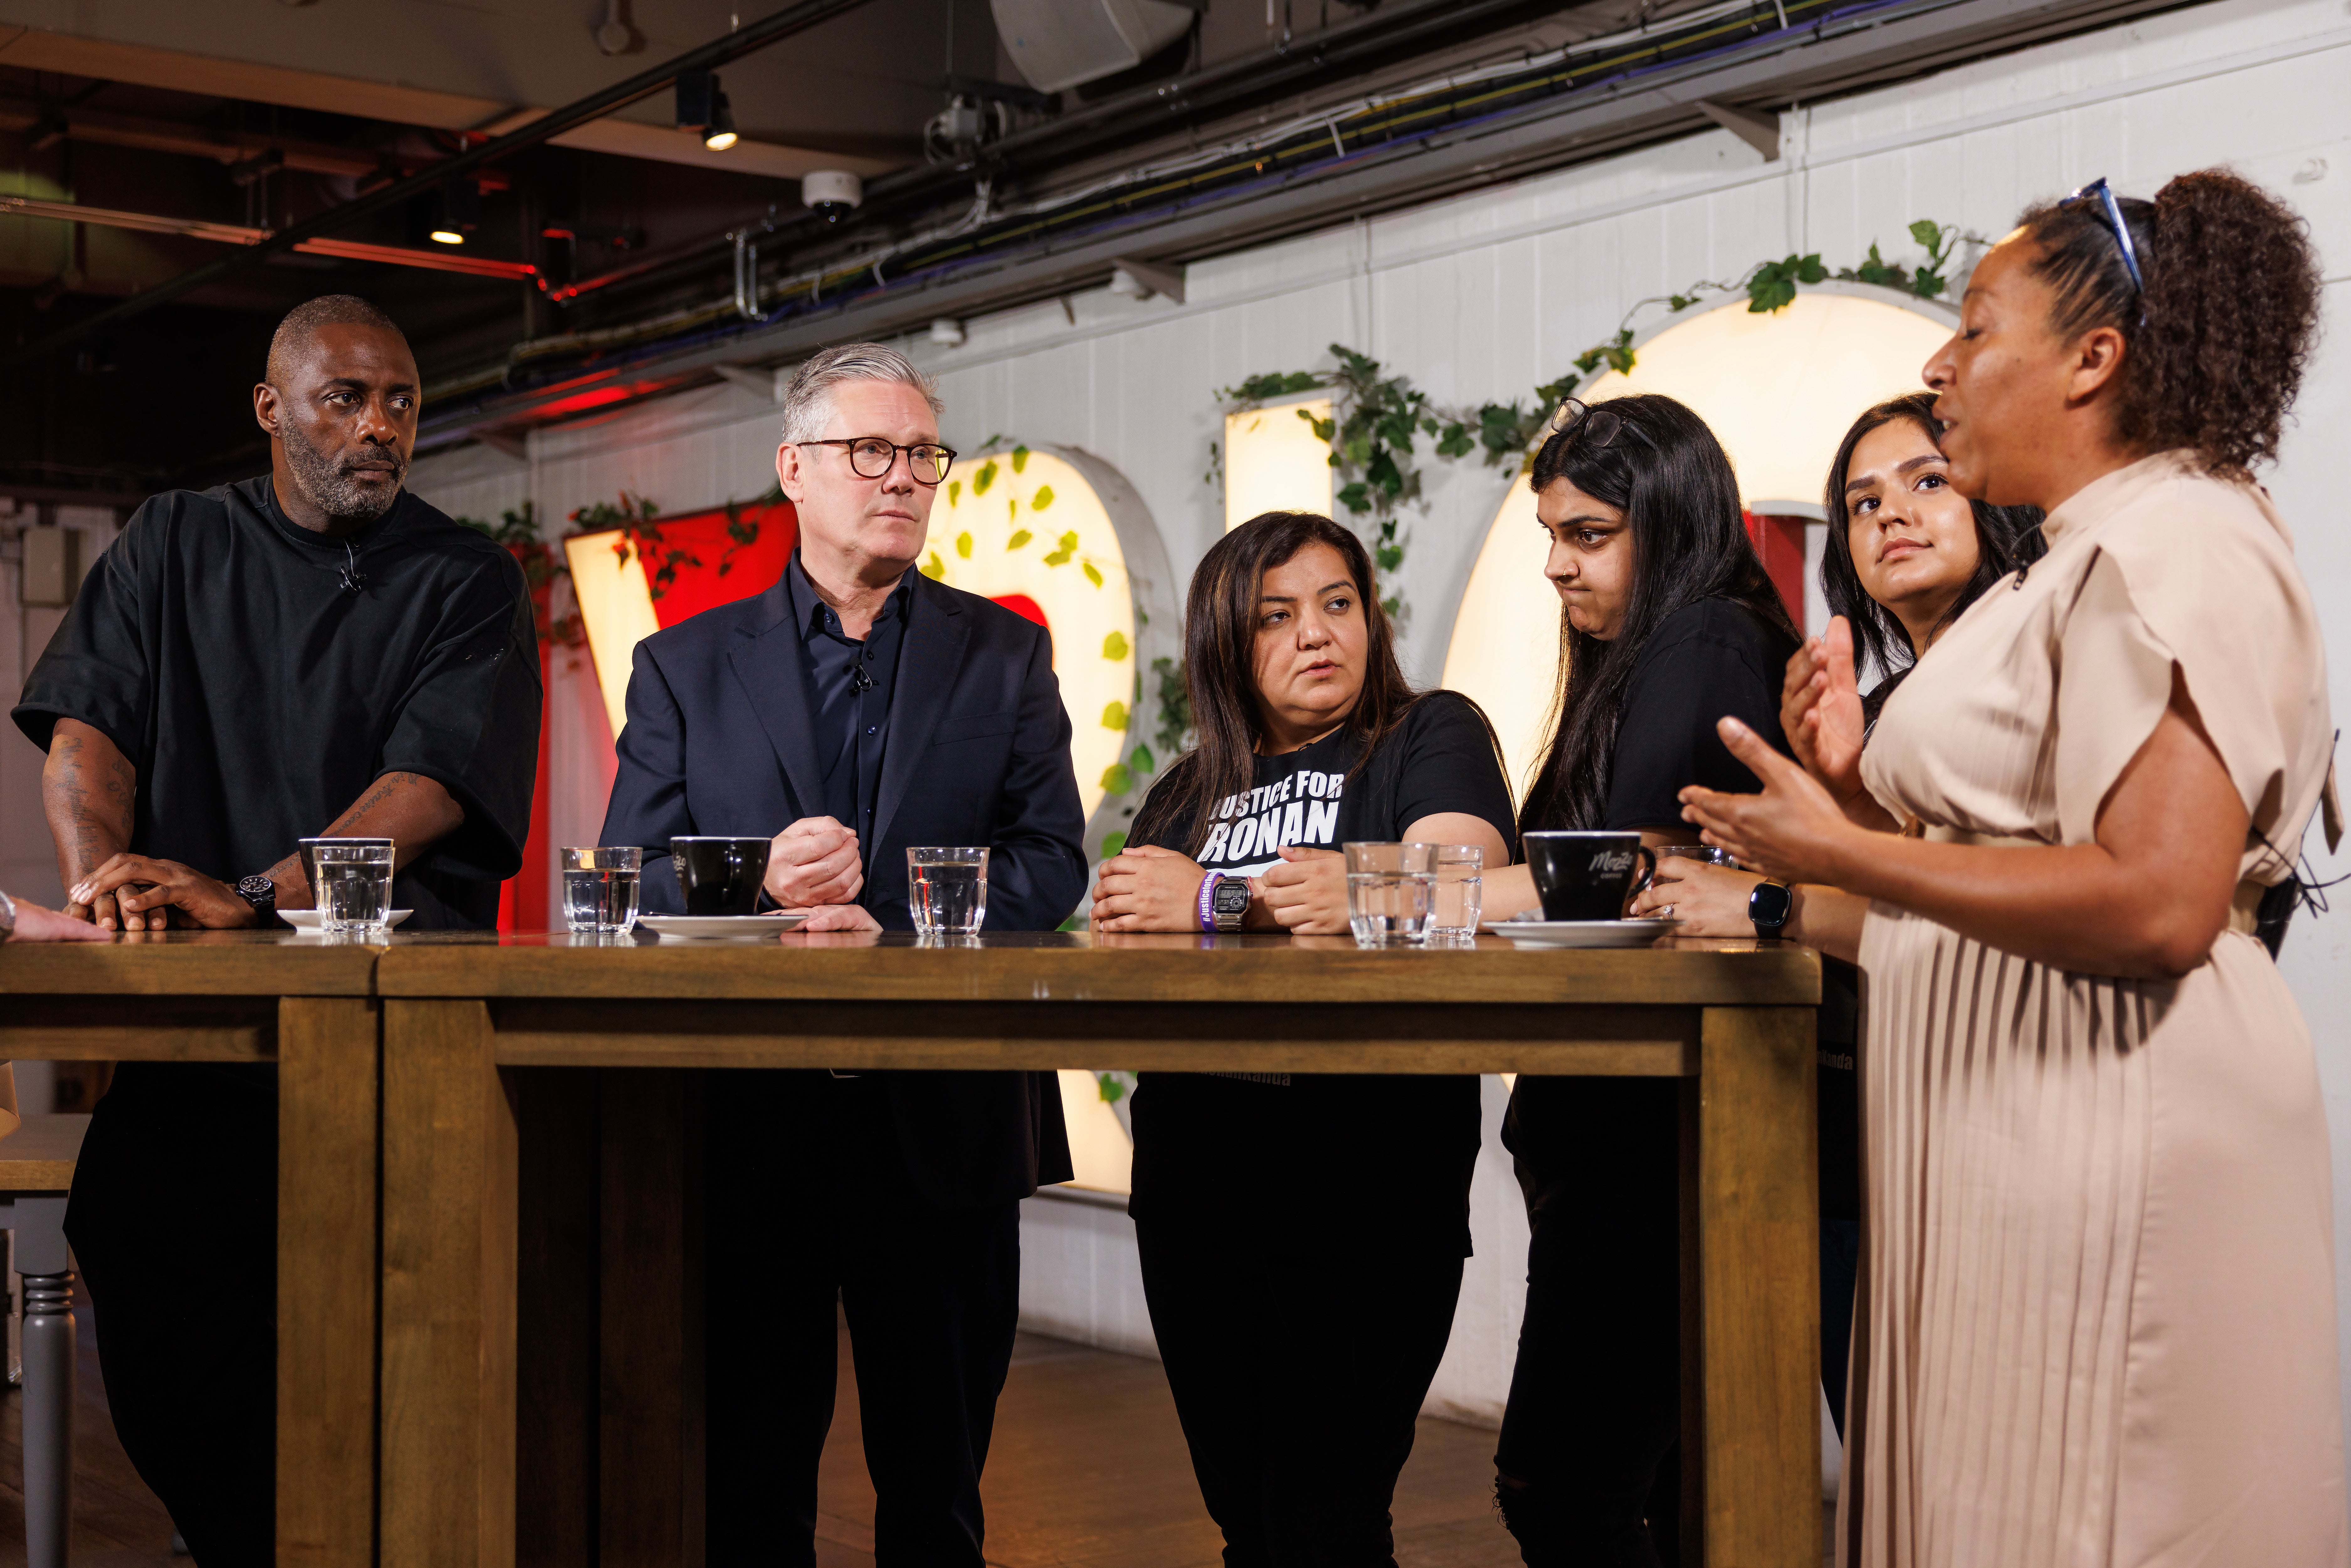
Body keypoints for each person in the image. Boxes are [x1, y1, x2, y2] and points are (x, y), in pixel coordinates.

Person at [1679, 170, 2346, 1566]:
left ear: (2094, 360)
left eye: (1975, 329)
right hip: (2021, 1113)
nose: (1939, 365)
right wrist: (1855, 798)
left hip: (2113, 1116)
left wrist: (1846, 850)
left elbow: (2161, 899)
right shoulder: (2081, 555)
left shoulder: (2182, 540)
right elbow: (2022, 833)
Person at [12, 294, 541, 1564]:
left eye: (401, 400)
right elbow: (88, 737)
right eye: (345, 398)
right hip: (205, 1032)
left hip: (398, 1034)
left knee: (386, 1329)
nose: (381, 426)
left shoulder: (465, 574)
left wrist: (249, 895)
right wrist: (108, 890)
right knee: (139, 1259)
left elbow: (423, 791)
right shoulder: (174, 540)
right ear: (270, 408)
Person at [599, 341, 1086, 1565]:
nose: (904, 476)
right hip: (749, 1129)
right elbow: (633, 876)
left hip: (948, 1130)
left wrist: (906, 924)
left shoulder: (1005, 653)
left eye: (922, 452)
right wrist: (751, 879)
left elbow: (1053, 863)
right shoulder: (682, 666)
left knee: (939, 1496)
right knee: (749, 1490)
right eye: (872, 449)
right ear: (794, 471)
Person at [1091, 511, 1514, 1565]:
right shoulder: (1189, 789)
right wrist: (1238, 902)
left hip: (1370, 1187)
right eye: (1276, 617)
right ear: (1227, 645)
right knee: (1246, 1519)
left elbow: (1444, 884)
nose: (1316, 635)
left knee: (1327, 1518)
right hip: (1198, 1185)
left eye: (1337, 605)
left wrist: (1218, 901)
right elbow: (1130, 931)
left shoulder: (1428, 735)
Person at [1625, 393, 2043, 1433]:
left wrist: (1768, 902)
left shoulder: (2032, 679)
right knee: (1887, 1461)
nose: (1889, 516)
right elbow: (1897, 880)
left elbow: (1977, 927)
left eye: (1926, 482)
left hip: (1982, 1121)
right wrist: (1836, 799)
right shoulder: (1891, 707)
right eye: (1860, 503)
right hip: (1853, 1120)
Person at [1480, 394, 1799, 1568]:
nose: (1558, 568)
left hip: (1652, 1133)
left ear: (1668, 525)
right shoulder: (1650, 654)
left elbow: (1625, 873)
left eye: (1589, 535)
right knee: (1659, 1488)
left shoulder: (1706, 635)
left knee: (1561, 1486)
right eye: (1549, 537)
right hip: (1619, 1128)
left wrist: (1394, 895)